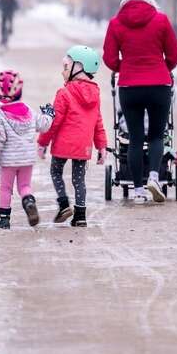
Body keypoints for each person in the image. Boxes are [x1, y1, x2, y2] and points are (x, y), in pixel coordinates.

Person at [102, 0, 177, 203]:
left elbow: (108, 58)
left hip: (129, 88)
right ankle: (154, 177)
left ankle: (137, 190)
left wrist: (123, 68)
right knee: (157, 135)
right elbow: (175, 54)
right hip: (159, 85)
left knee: (136, 138)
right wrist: (164, 67)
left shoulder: (116, 23)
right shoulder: (161, 20)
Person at [37, 46, 108, 227]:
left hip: (62, 144)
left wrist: (42, 142)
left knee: (55, 172)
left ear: (79, 67)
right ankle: (80, 216)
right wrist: (101, 146)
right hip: (83, 146)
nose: (63, 72)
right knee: (79, 180)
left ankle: (63, 205)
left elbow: (54, 122)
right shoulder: (96, 94)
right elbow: (97, 121)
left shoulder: (64, 93)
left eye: (66, 67)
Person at [0, 69, 54, 230]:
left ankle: (3, 218)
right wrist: (49, 114)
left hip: (9, 160)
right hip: (27, 159)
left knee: (6, 188)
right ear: (20, 90)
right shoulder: (29, 111)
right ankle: (28, 200)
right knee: (24, 186)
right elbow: (43, 125)